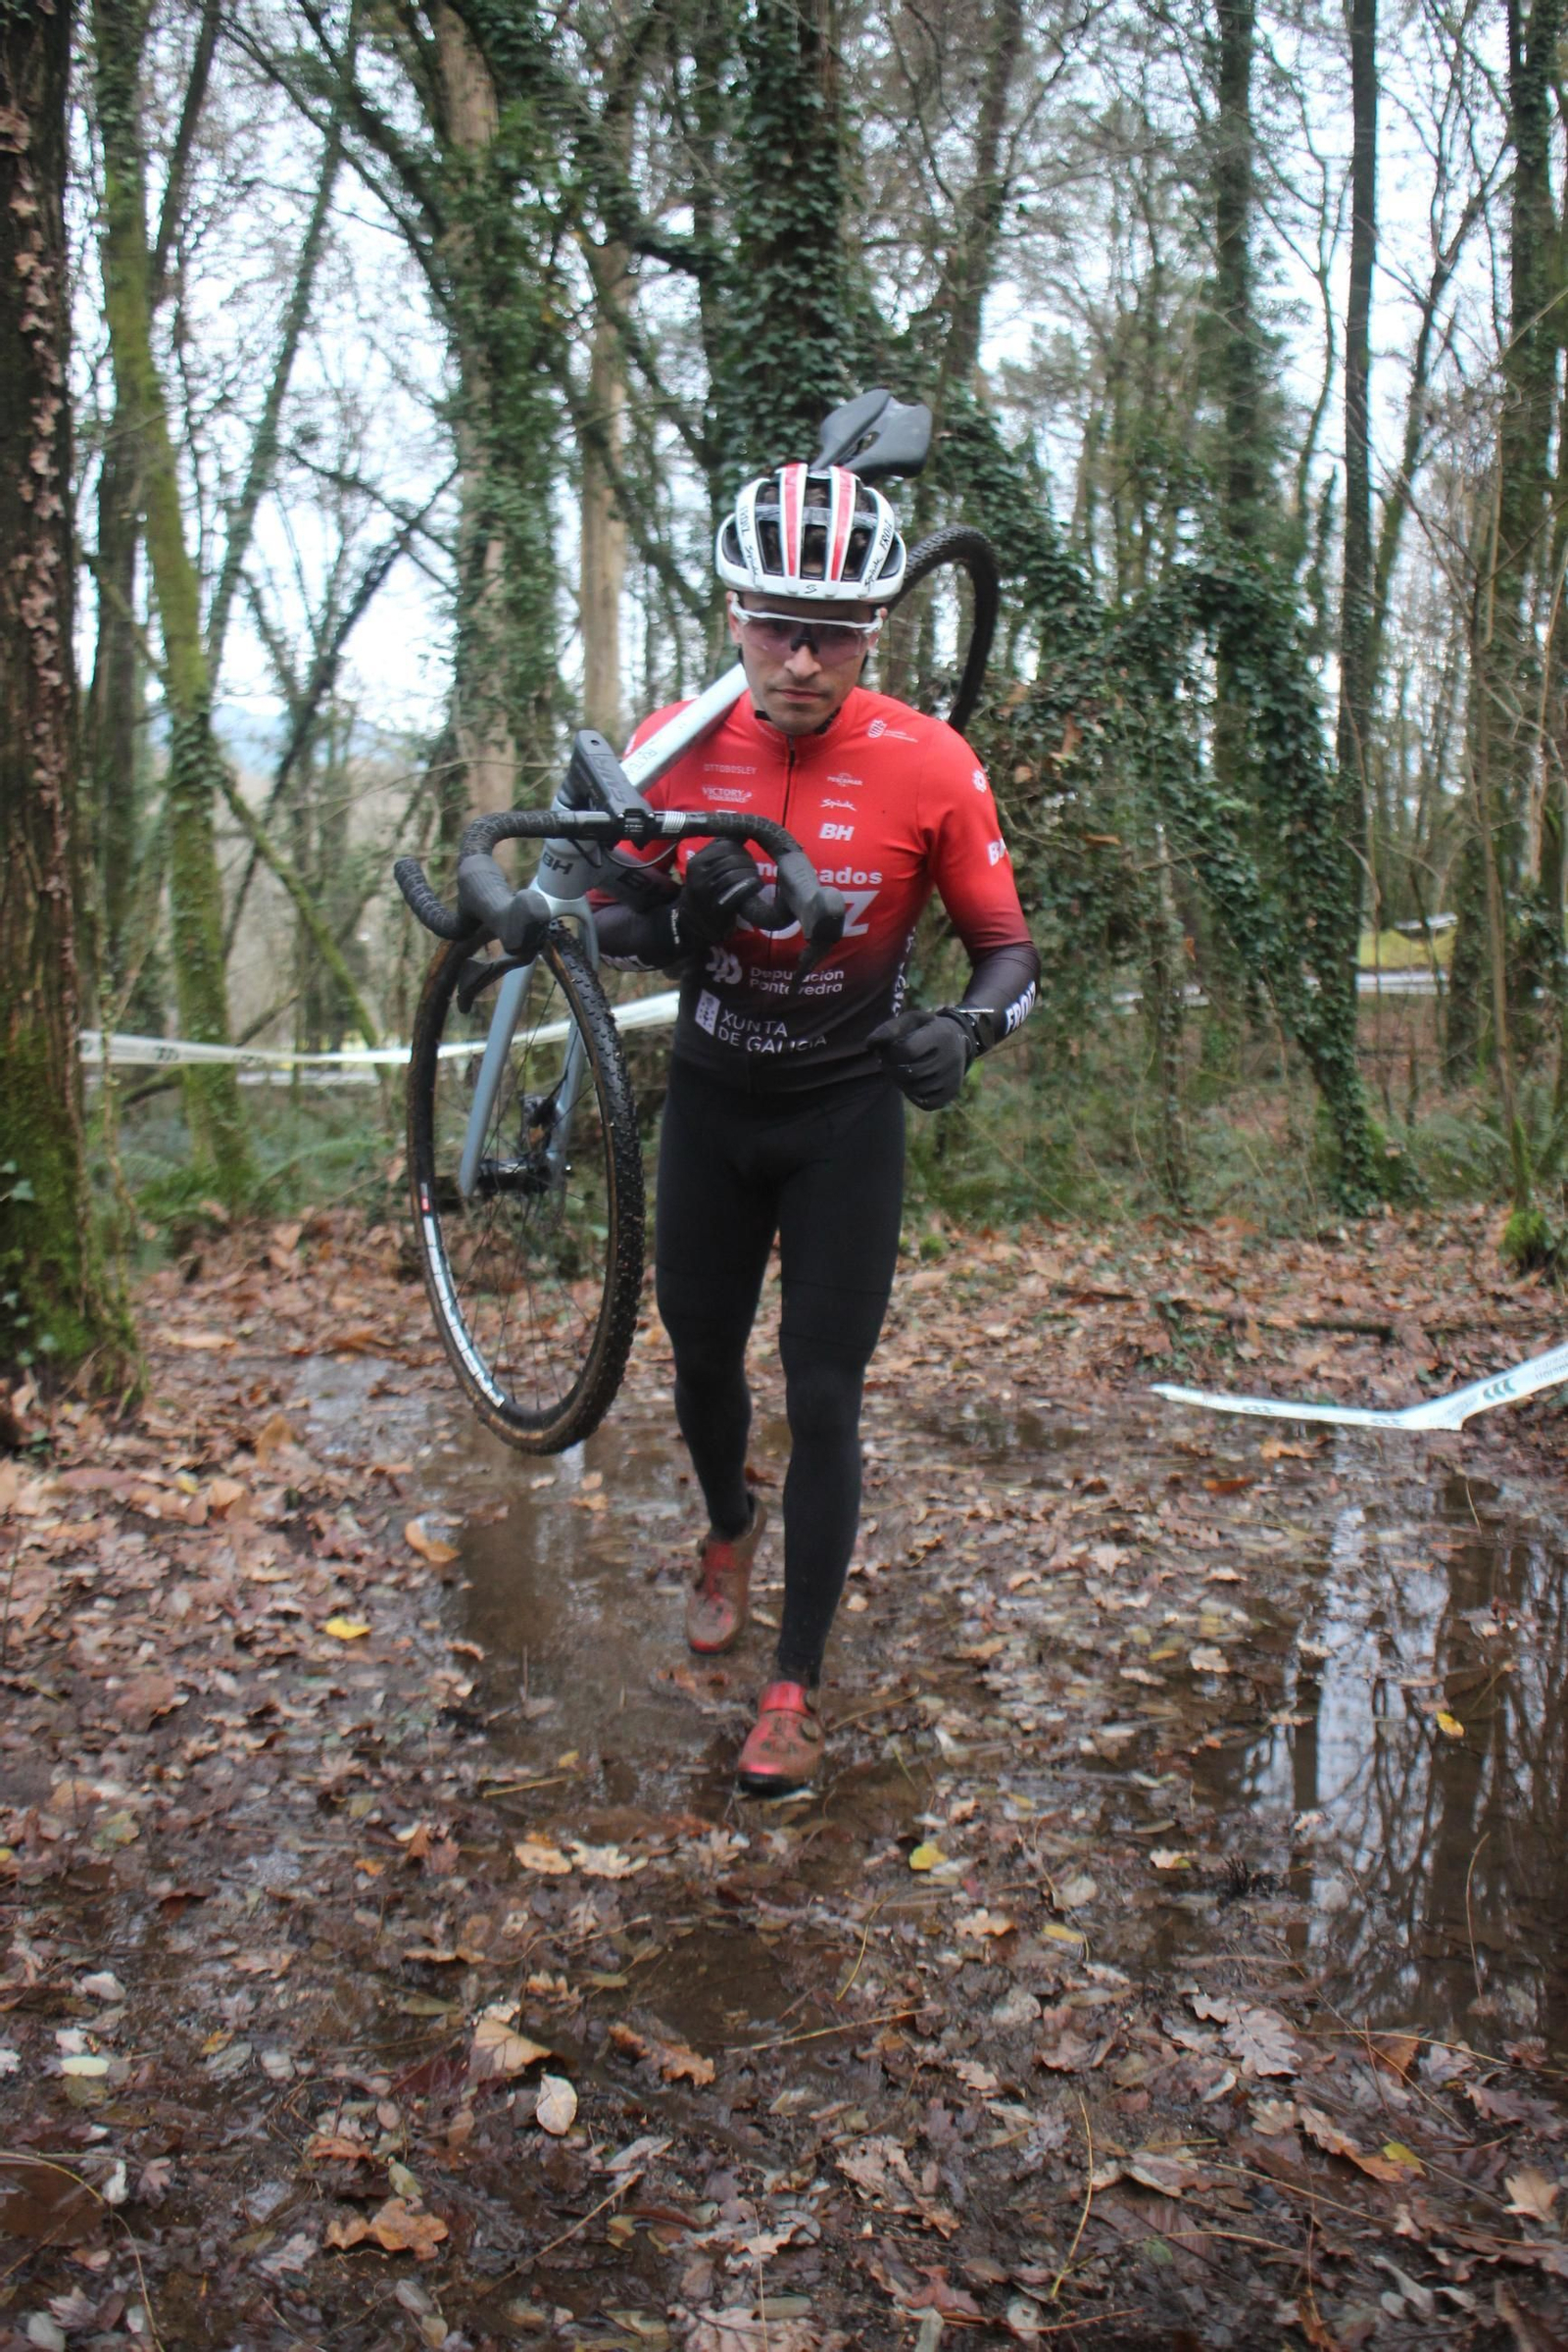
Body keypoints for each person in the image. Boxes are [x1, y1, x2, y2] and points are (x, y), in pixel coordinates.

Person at [594, 461, 1039, 1793]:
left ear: (875, 630)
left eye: (833, 632)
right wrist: (679, 917)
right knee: (701, 1360)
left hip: (846, 1116)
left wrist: (965, 1032)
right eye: (777, 623)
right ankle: (727, 1522)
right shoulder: (675, 741)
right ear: (734, 612)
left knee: (825, 1391)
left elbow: (1010, 954)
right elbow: (598, 918)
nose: (800, 657)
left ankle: (795, 1682)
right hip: (713, 1103)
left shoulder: (931, 762)